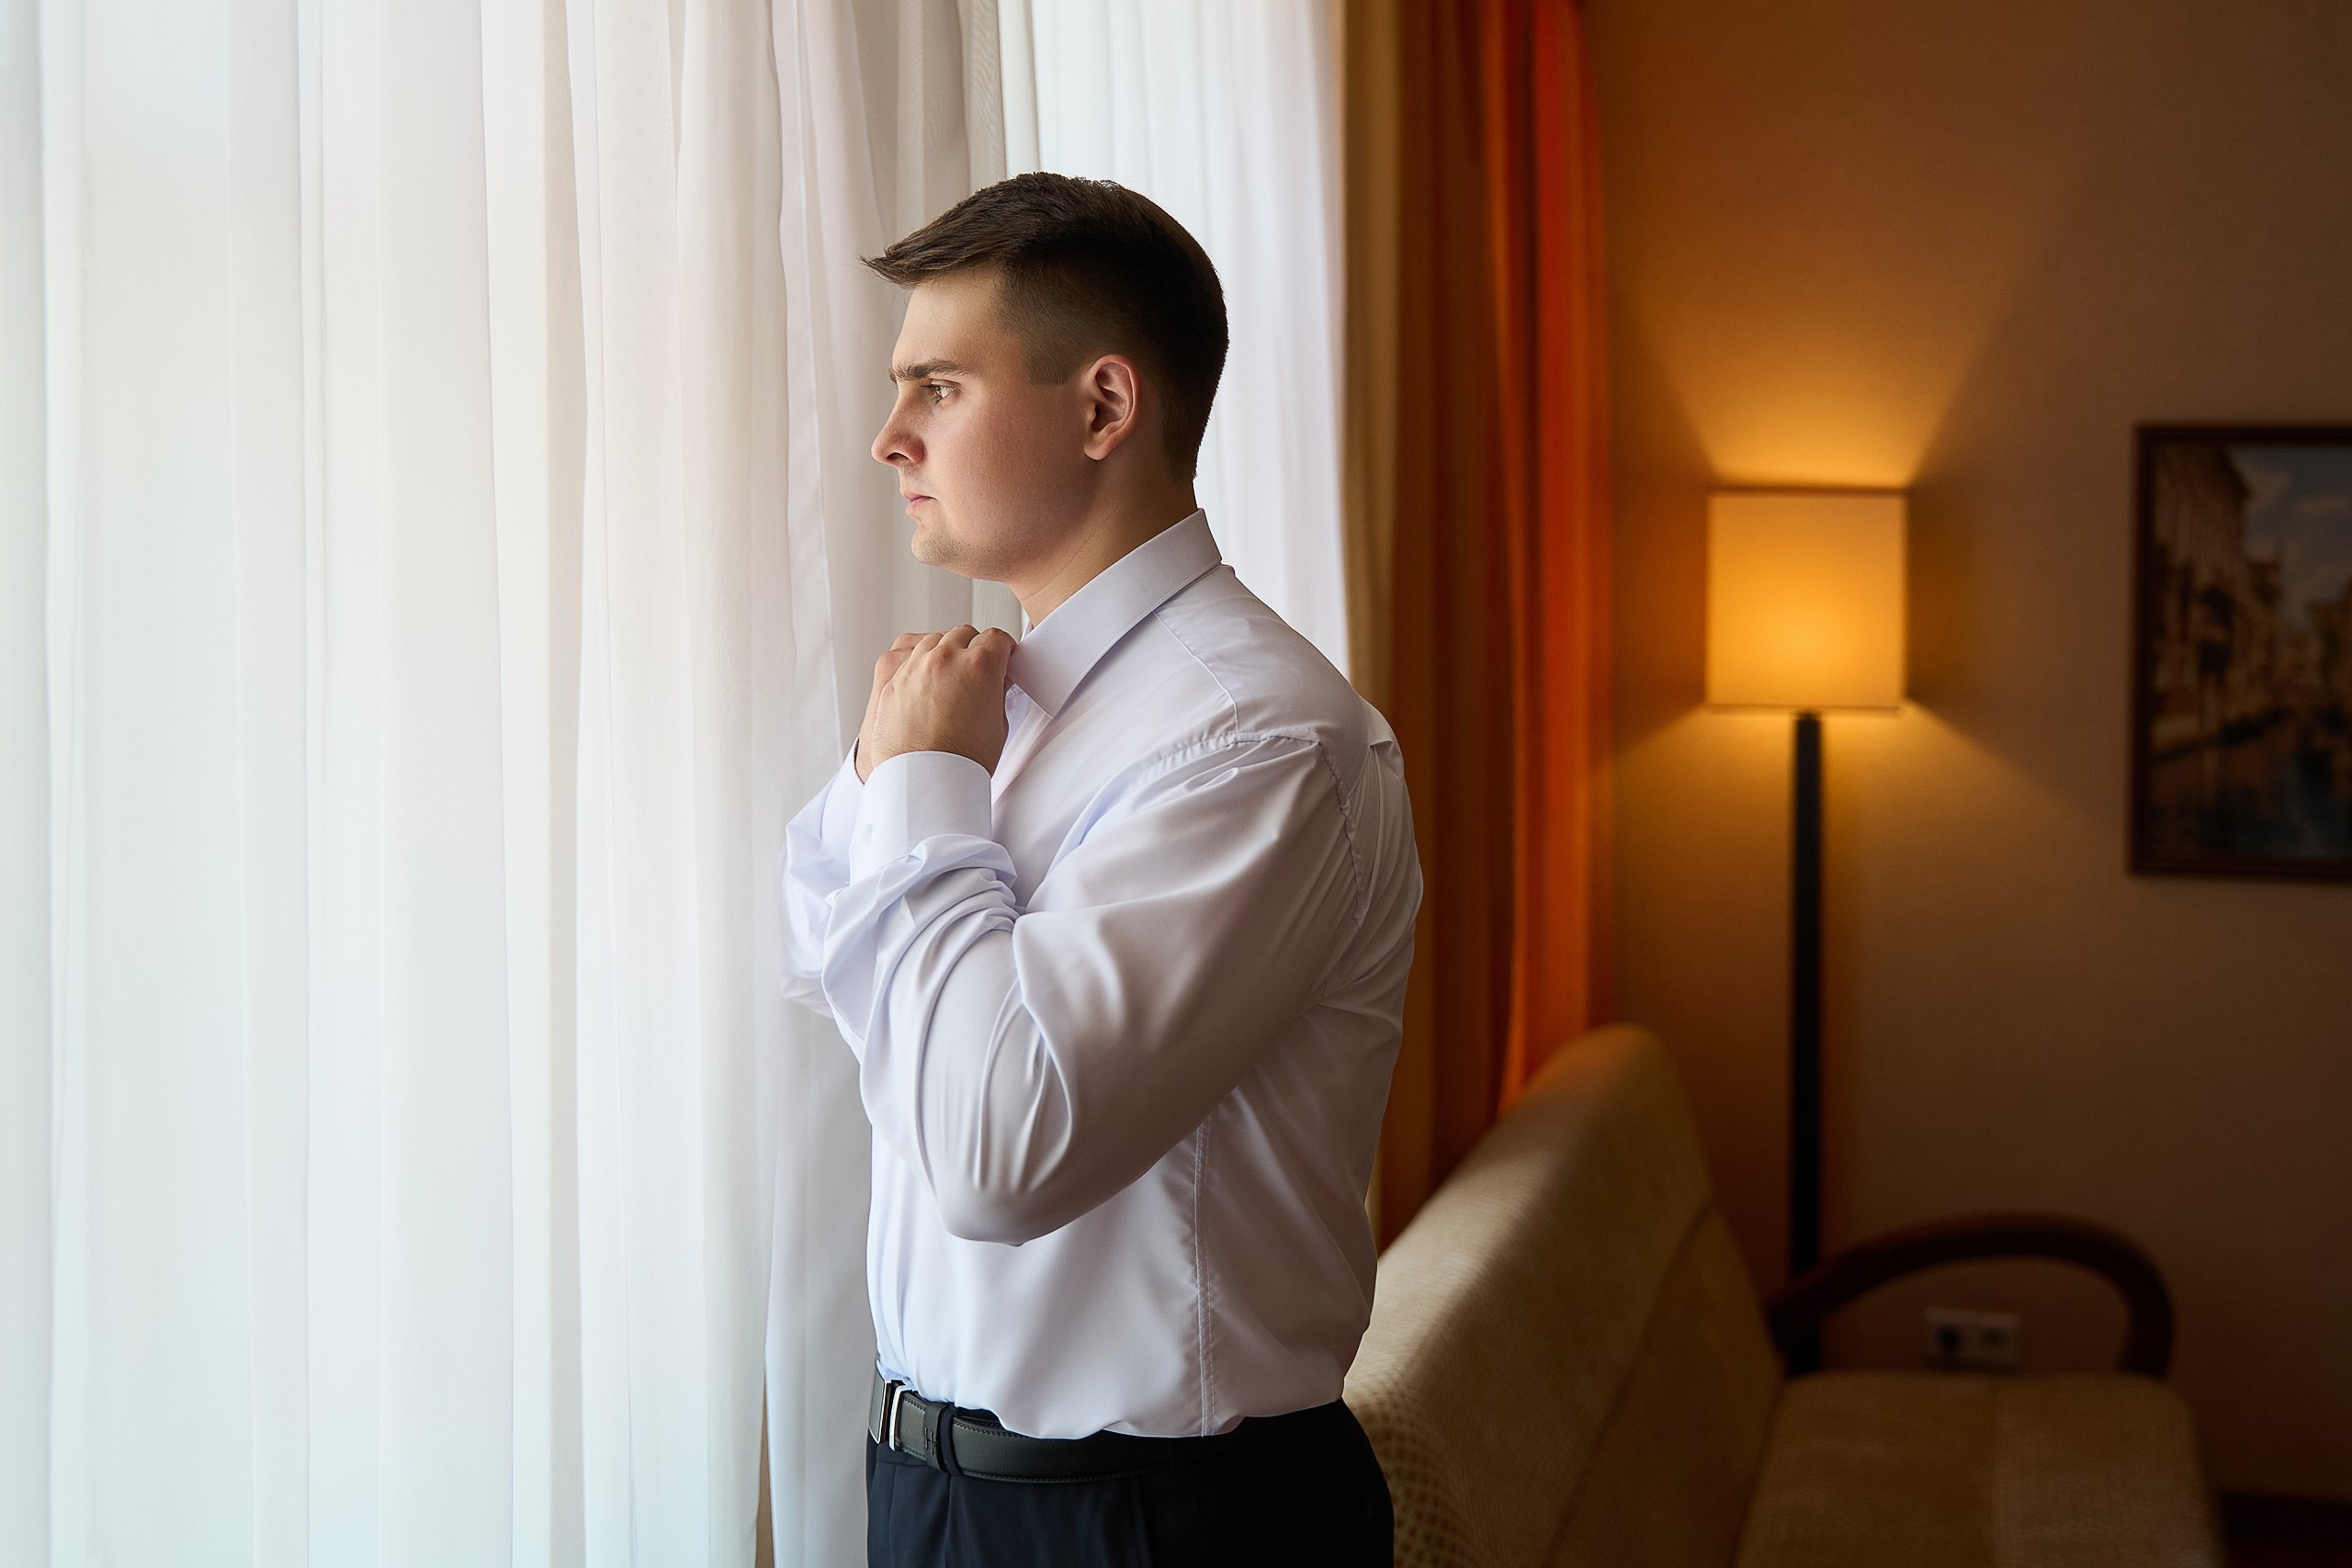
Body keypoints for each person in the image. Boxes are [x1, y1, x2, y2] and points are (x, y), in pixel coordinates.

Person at [780, 172, 1420, 1568]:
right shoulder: (988, 697)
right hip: (931, 1493)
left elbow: (995, 1155)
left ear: (1104, 407)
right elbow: (812, 953)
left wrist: (922, 784)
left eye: (939, 387)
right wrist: (922, 779)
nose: (890, 438)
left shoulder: (1257, 740)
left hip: (1158, 1522)